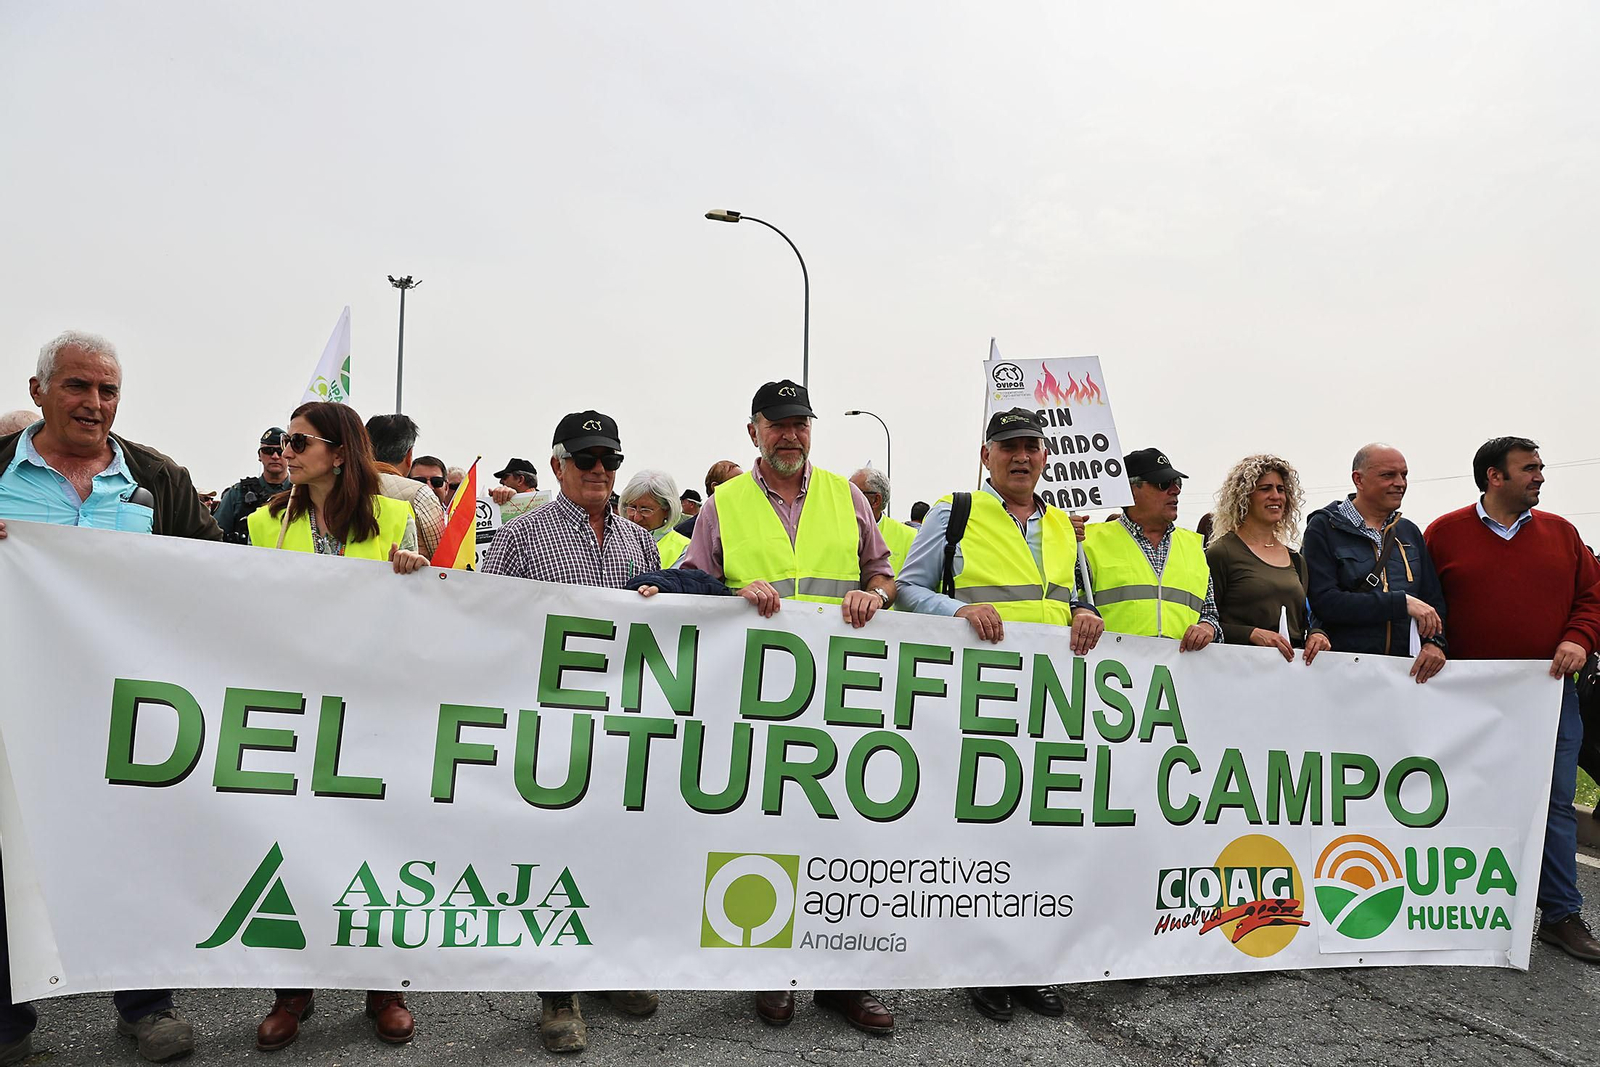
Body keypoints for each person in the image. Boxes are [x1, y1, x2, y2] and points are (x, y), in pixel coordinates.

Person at [0, 330, 218, 1065]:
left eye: (108, 390)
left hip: (130, 708)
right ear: (39, 391)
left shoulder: (160, 480)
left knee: (136, 849)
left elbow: (227, 580)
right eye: (77, 386)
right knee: (7, 858)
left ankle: (145, 1009)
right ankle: (9, 1022)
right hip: (13, 704)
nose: (95, 404)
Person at [678, 380, 896, 1034]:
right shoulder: (724, 504)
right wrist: (732, 591)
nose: (790, 435)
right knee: (764, 832)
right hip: (757, 702)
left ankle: (844, 980)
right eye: (777, 425)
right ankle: (771, 970)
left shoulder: (847, 495)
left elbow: (882, 573)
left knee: (845, 833)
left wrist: (876, 598)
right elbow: (696, 585)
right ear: (754, 433)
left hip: (839, 701)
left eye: (799, 423)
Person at [897, 409, 1104, 1024]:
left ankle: (1029, 964)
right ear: (986, 455)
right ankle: (981, 966)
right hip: (975, 696)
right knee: (980, 835)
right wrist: (957, 611)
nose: (1022, 456)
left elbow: (1076, 600)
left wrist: (1086, 615)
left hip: (1048, 702)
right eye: (1009, 446)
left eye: (1032, 447)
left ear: (1045, 455)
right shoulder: (954, 511)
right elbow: (909, 589)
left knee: (1038, 837)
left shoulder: (1065, 525)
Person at [247, 402, 427, 1051]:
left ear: (340, 452)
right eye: (285, 440)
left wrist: (416, 576)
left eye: (299, 440)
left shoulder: (396, 519)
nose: (285, 450)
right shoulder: (262, 523)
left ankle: (385, 986)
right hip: (296, 709)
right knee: (295, 849)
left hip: (377, 710)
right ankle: (292, 992)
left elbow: (437, 611)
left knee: (379, 849)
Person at [482, 410, 659, 1053]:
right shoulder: (523, 535)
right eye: (586, 461)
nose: (599, 472)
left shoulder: (640, 542)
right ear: (558, 465)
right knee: (554, 852)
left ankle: (608, 967)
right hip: (550, 719)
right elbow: (482, 609)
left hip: (620, 720)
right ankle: (560, 993)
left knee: (613, 845)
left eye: (609, 460)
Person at [1426, 436, 1600, 962]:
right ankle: (1451, 908)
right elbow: (1428, 606)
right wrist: (1435, 644)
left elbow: (1592, 599)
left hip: (1546, 694)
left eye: (1541, 467)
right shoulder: (1443, 534)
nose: (1540, 476)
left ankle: (1561, 914)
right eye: (1529, 469)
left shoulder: (1563, 535)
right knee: (1459, 795)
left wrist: (1579, 638)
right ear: (1493, 476)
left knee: (1554, 803)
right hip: (1467, 696)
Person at [1302, 444, 1447, 683]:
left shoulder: (1409, 532)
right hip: (1343, 674)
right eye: (1388, 475)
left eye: (1404, 475)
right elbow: (1324, 602)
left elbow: (1433, 600)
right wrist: (1400, 603)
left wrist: (1436, 643)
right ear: (1358, 479)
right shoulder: (1324, 528)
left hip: (1406, 677)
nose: (1400, 483)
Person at [1081, 448, 1221, 650]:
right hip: (1111, 672)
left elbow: (1210, 614)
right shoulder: (1088, 541)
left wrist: (1207, 627)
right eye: (1163, 484)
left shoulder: (1194, 546)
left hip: (1178, 675)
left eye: (1177, 483)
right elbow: (1069, 606)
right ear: (1130, 490)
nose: (1175, 490)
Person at [1205, 455, 1329, 663]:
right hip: (1237, 669)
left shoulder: (1296, 559)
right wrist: (1250, 634)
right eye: (1265, 489)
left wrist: (1318, 634)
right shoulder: (1222, 552)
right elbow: (1207, 622)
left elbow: (1306, 620)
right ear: (1244, 496)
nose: (1276, 496)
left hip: (1290, 672)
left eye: (1280, 489)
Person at [364, 414, 445, 559]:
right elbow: (443, 555)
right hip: (406, 578)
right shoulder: (419, 494)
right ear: (409, 456)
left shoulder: (339, 488)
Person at [214, 426, 292, 544]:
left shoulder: (302, 491)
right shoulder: (238, 492)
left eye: (280, 451)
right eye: (268, 451)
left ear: (288, 454)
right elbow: (216, 535)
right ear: (259, 456)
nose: (275, 456)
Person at [851, 466, 917, 575]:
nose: (847, 498)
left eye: (855, 494)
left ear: (876, 500)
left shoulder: (910, 537)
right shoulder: (835, 529)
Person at [621, 469, 690, 567]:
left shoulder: (685, 550)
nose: (637, 518)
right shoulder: (612, 540)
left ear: (667, 509)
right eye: (632, 507)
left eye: (645, 510)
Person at [674, 459, 742, 536]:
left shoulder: (748, 522)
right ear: (716, 487)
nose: (743, 489)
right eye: (736, 484)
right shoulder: (687, 531)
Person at [489, 456, 549, 522]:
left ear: (520, 480)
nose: (501, 481)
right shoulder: (547, 505)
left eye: (505, 477)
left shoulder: (546, 506)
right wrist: (493, 505)